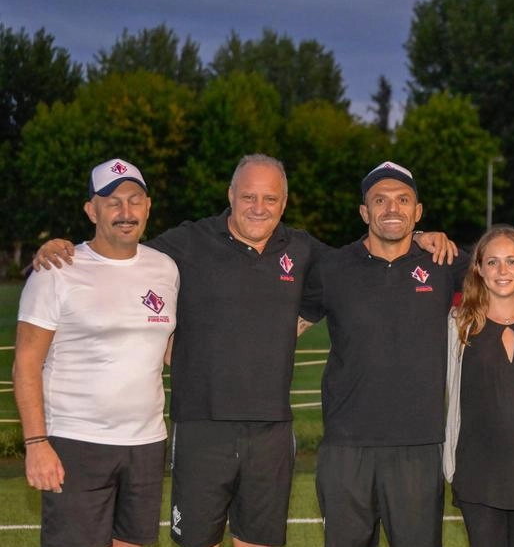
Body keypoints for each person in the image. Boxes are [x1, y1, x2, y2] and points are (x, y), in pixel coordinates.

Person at [31, 155, 457, 547]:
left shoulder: (304, 251)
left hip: (270, 431)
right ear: (231, 197)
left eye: (270, 198)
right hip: (202, 426)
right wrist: (65, 248)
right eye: (248, 196)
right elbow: (121, 253)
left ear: (284, 202)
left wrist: (419, 235)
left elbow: (370, 253)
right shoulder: (187, 243)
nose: (259, 207)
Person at [300, 161, 470, 547]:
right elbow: (284, 326)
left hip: (418, 446)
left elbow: (506, 270)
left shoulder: (443, 263)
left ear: (418, 211)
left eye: (403, 200)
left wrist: (429, 237)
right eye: (381, 200)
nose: (392, 208)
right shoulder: (333, 268)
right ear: (364, 212)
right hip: (346, 447)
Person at [14, 159, 178, 547]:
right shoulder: (57, 269)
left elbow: (170, 347)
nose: (126, 213)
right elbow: (25, 363)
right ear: (92, 210)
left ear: (148, 206)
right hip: (75, 442)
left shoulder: (166, 269)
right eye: (112, 202)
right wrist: (36, 444)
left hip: (146, 443)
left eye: (134, 201)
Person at [444, 225, 514, 547]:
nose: (502, 270)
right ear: (478, 269)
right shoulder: (458, 326)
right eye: (492, 262)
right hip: (478, 472)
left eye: (512, 261)